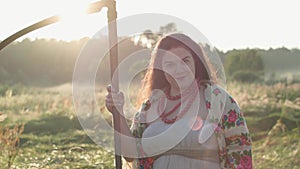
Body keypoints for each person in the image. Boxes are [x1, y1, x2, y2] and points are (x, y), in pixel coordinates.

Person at [105, 33, 252, 169]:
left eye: (185, 61)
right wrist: (117, 113)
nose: (179, 70)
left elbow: (239, 145)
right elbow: (130, 154)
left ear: (196, 61)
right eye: (170, 64)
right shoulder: (151, 105)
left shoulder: (217, 99)